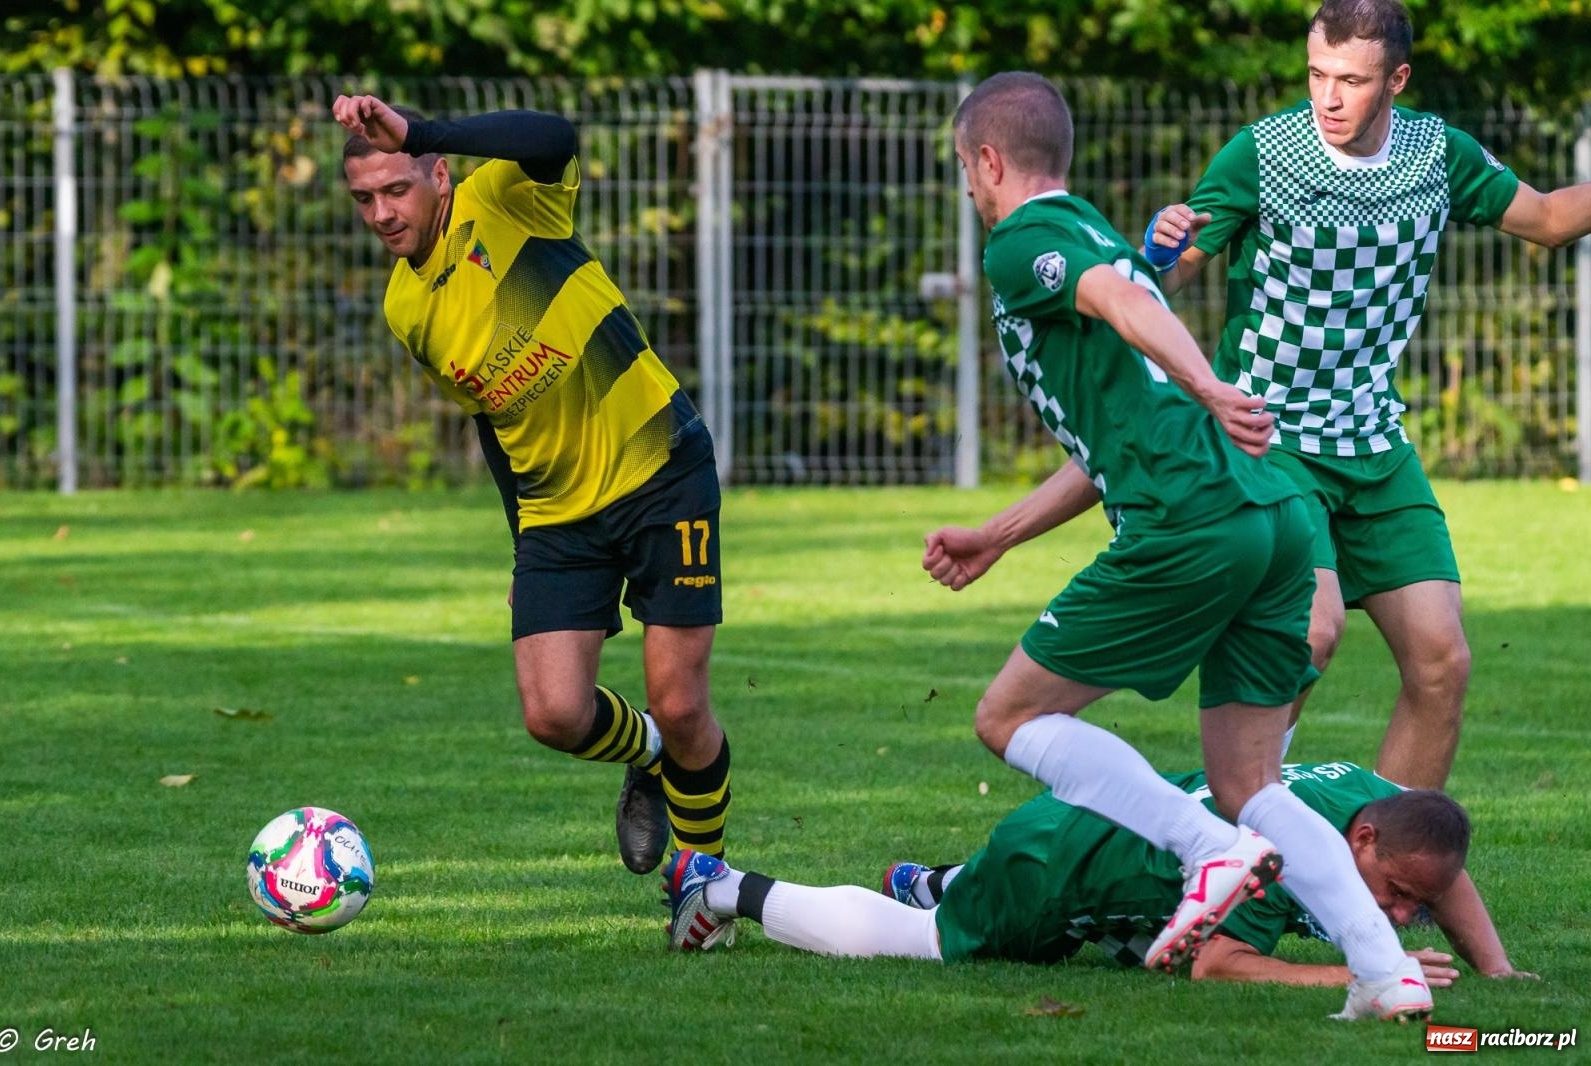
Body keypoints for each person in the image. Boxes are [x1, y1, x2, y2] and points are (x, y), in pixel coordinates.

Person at [898, 70, 1431, 1021]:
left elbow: (1113, 300)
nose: (970, 193)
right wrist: (998, 534)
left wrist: (1209, 385)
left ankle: (1204, 849)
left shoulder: (1027, 239)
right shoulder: (1092, 225)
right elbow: (1112, 429)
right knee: (1251, 781)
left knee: (1008, 720)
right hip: (1273, 515)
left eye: (965, 173)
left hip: (1192, 521)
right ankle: (1383, 974)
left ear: (987, 161)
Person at [1143, 0, 1591, 789]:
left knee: (1442, 662)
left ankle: (1380, 879)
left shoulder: (1436, 153)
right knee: (1310, 633)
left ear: (1398, 79)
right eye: (1317, 75)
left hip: (1374, 444)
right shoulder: (1262, 154)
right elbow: (1169, 277)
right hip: (1271, 437)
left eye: (1352, 80)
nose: (1329, 97)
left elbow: (1552, 219)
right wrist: (1159, 249)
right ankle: (1227, 842)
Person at [333, 95, 734, 875]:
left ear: (439, 177)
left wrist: (420, 128)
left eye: (396, 189)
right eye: (363, 200)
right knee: (554, 714)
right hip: (556, 510)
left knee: (683, 702)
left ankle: (706, 888)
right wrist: (524, 546)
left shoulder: (504, 200)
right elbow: (489, 416)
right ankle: (651, 757)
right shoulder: (404, 305)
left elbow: (556, 135)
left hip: (659, 465)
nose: (381, 213)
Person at [661, 761, 1531, 990]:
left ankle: (936, 878)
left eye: (1415, 902)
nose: (1404, 913)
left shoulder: (1370, 807)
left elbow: (1437, 863)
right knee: (929, 950)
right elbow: (1217, 966)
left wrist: (1494, 967)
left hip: (1095, 822)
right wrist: (1366, 973)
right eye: (1395, 892)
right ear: (1364, 838)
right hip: (1062, 865)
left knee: (1115, 937)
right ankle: (722, 884)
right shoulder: (1287, 868)